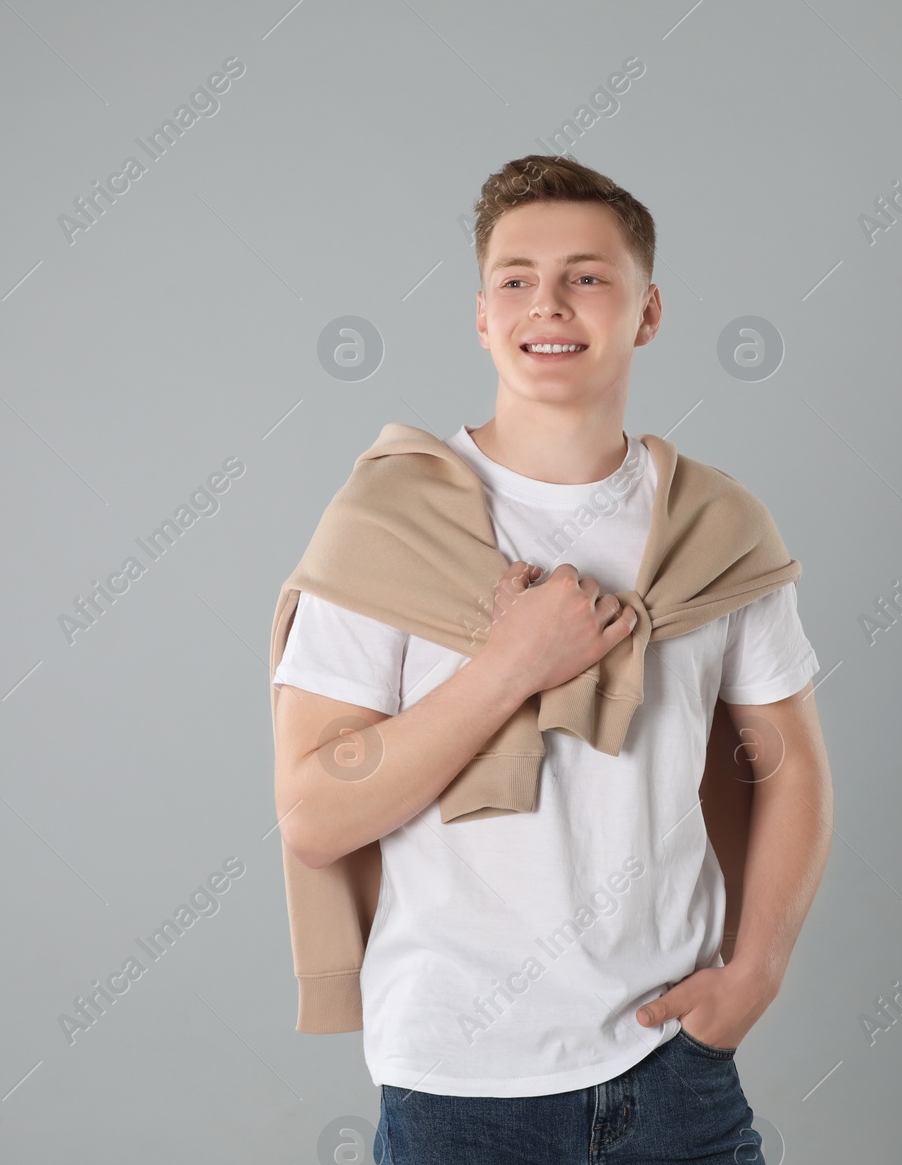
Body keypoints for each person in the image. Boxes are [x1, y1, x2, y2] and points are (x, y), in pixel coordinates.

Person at [272, 154, 833, 1163]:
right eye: (516, 278)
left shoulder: (713, 527)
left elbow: (789, 765)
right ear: (482, 315)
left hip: (673, 1065)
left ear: (646, 311)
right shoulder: (389, 524)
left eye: (587, 275)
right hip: (458, 1082)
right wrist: (507, 667)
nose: (550, 303)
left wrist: (753, 975)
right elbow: (316, 811)